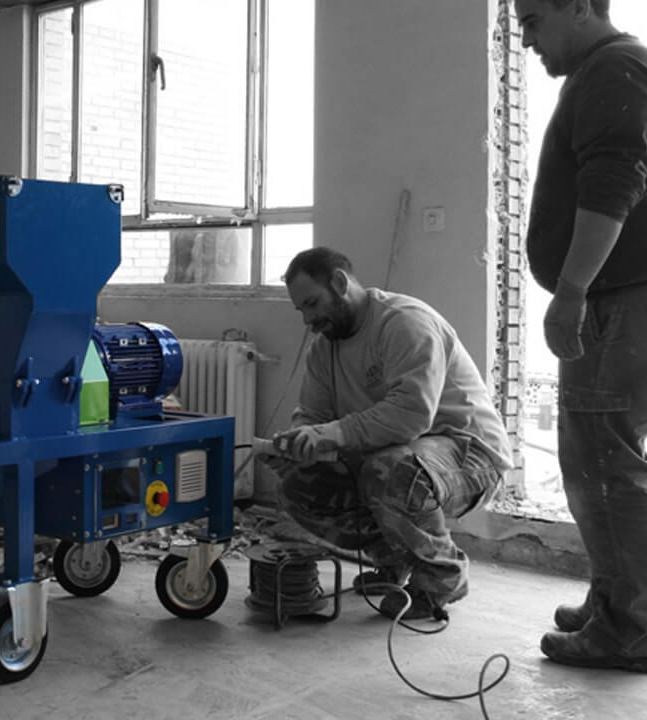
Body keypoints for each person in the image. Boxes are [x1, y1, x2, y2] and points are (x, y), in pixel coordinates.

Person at [260, 247, 513, 620]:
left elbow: (411, 416)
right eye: (302, 310)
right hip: (399, 459)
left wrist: (331, 434)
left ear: (340, 283)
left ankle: (441, 578)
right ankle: (395, 562)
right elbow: (314, 415)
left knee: (390, 469)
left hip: (471, 455)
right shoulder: (323, 349)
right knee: (300, 486)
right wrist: (299, 444)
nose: (309, 320)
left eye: (313, 304)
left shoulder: (405, 324)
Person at [517, 0, 647, 671]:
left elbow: (612, 185)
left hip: (616, 300)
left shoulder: (613, 67)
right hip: (621, 298)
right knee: (601, 460)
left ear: (576, 7)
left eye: (532, 20)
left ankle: (628, 628)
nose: (526, 39)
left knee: (603, 465)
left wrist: (570, 292)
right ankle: (615, 602)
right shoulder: (610, 69)